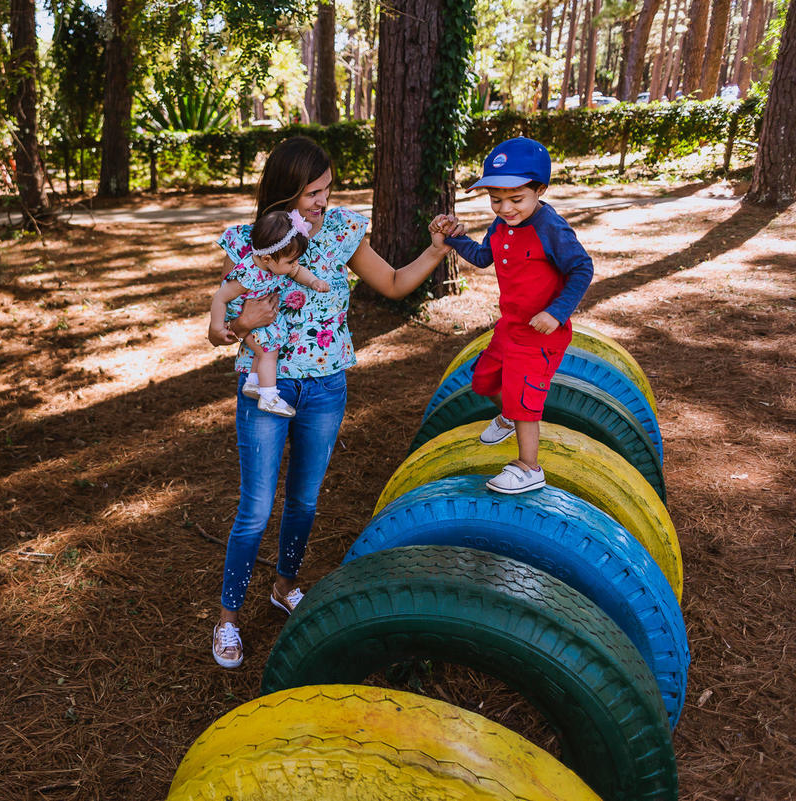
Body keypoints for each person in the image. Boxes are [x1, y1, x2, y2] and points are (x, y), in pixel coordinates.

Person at [209, 136, 455, 669]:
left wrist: (436, 250)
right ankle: (228, 618)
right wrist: (241, 322)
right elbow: (219, 327)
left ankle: (284, 587)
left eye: (327, 189)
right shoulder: (251, 240)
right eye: (312, 192)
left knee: (304, 501)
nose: (323, 201)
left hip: (325, 388)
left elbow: (394, 283)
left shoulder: (343, 230)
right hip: (265, 388)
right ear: (285, 191)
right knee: (255, 509)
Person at [432, 136, 593, 495]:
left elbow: (582, 268)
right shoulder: (502, 224)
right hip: (510, 327)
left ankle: (529, 467)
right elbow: (482, 256)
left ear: (540, 190)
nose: (505, 208)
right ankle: (507, 416)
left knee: (524, 401)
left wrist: (556, 312)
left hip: (540, 334)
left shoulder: (550, 228)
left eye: (516, 199)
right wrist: (453, 237)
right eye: (496, 199)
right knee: (483, 381)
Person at [209, 209, 331, 418]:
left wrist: (313, 281)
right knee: (268, 352)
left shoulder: (275, 262)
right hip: (247, 317)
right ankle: (268, 396)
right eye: (291, 261)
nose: (295, 265)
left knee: (266, 347)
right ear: (267, 258)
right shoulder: (247, 276)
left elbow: (297, 271)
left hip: (263, 318)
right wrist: (217, 326)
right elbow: (220, 297)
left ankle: (253, 382)